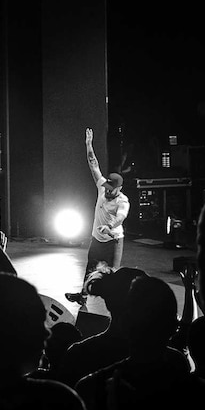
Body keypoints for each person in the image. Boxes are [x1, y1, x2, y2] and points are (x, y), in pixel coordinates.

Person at [66, 128, 130, 306]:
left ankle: (118, 304)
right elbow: (93, 164)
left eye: (111, 191)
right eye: (107, 189)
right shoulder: (103, 186)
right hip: (96, 238)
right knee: (90, 266)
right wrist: (88, 145)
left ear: (119, 189)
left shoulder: (123, 201)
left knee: (112, 273)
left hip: (113, 241)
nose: (108, 192)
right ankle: (82, 296)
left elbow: (121, 217)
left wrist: (110, 226)